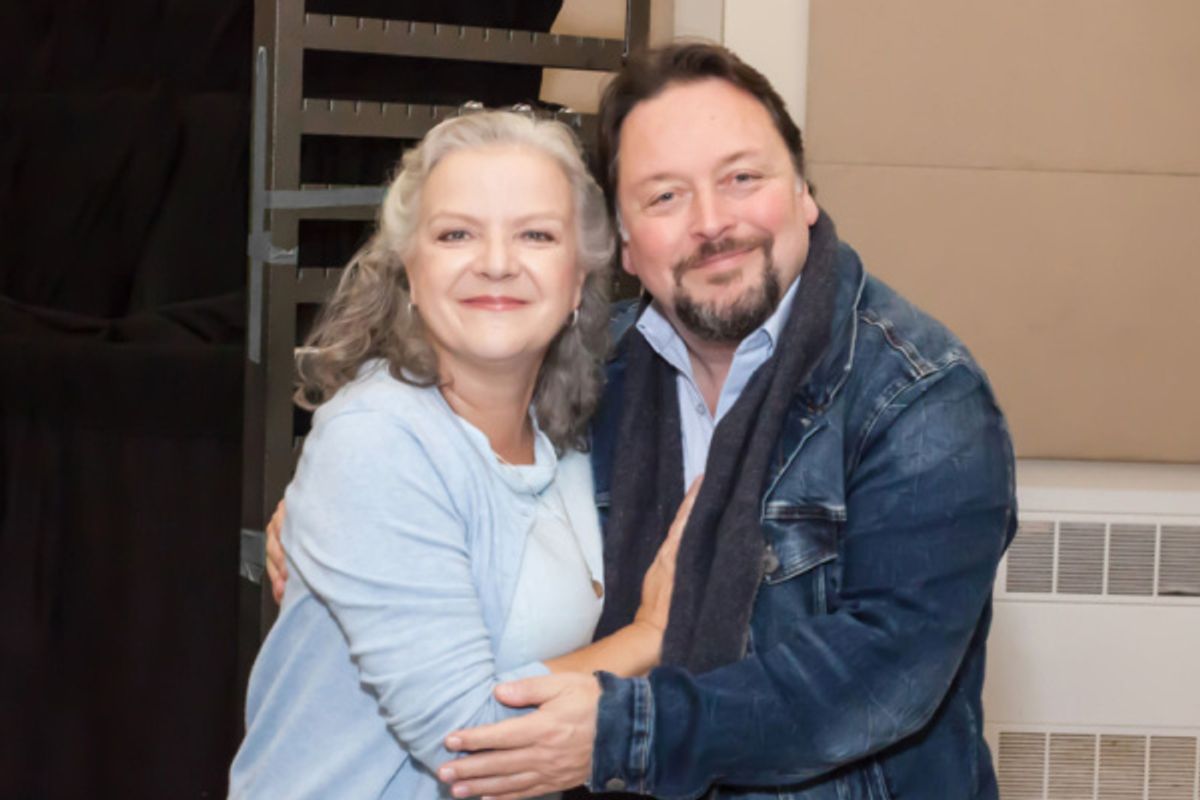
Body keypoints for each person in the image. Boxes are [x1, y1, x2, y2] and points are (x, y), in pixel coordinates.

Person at [427, 43, 1018, 800]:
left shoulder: (923, 396)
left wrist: (630, 732)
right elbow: (448, 402)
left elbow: (877, 677)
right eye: (665, 196)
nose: (712, 223)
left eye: (742, 178)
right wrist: (337, 500)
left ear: (803, 191)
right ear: (626, 247)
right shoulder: (582, 372)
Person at [230, 110, 699, 798]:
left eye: (536, 234)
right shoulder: (376, 440)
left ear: (579, 280)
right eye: (457, 234)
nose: (498, 262)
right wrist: (653, 633)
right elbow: (473, 739)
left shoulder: (571, 440)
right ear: (410, 274)